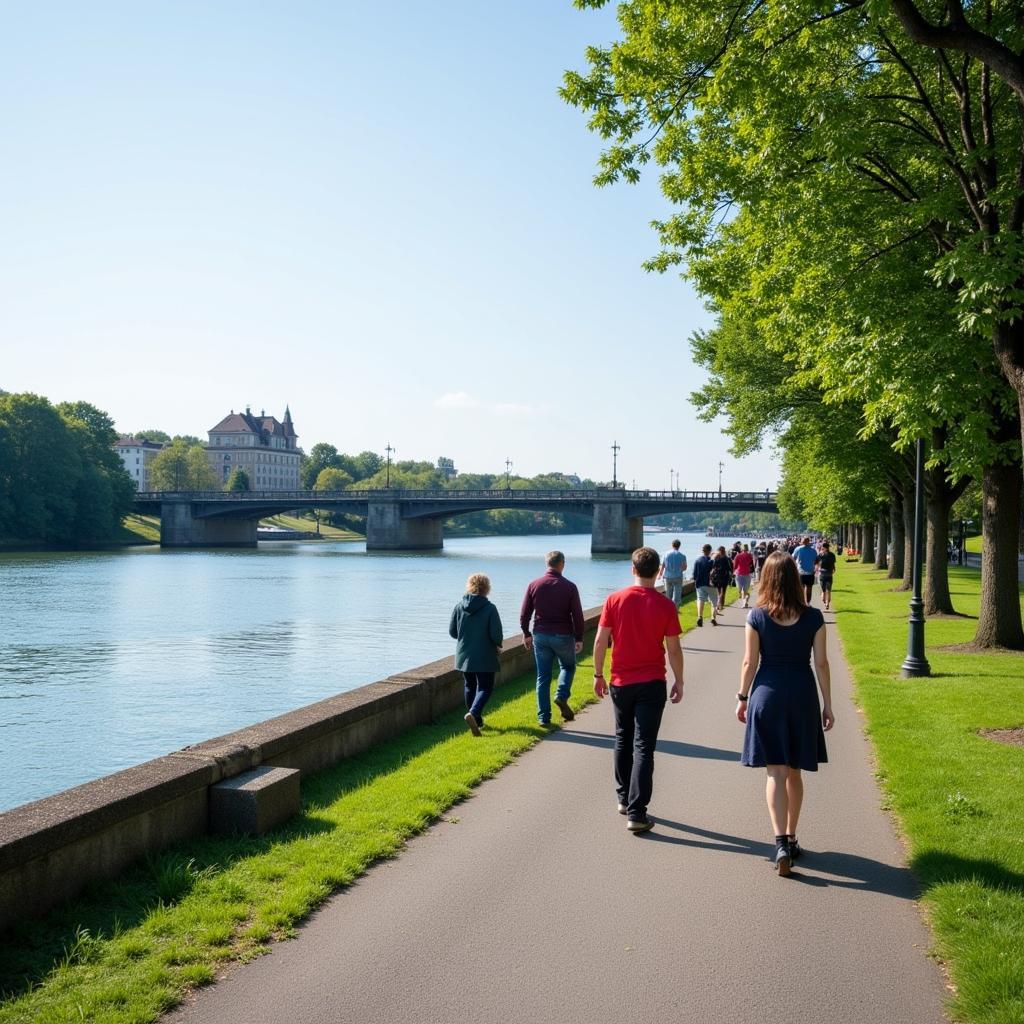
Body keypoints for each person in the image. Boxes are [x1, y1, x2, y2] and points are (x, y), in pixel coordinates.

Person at [735, 552, 834, 876]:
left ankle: (779, 843)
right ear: (795, 579)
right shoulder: (814, 617)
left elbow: (750, 662)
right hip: (802, 695)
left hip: (768, 695)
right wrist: (828, 704)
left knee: (774, 773)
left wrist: (742, 697)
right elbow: (821, 663)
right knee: (795, 772)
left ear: (766, 579)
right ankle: (792, 838)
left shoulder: (757, 616)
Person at [593, 546, 684, 833]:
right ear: (659, 572)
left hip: (621, 682)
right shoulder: (666, 605)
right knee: (644, 746)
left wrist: (597, 674)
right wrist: (679, 680)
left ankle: (623, 798)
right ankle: (637, 811)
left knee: (623, 739)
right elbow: (674, 649)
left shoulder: (614, 600)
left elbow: (600, 641)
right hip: (652, 682)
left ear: (632, 569)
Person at [520, 550, 585, 726]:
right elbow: (577, 616)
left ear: (546, 564)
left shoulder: (534, 585)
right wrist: (579, 637)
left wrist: (526, 633)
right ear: (562, 564)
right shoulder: (570, 587)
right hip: (563, 635)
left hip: (540, 635)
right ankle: (561, 695)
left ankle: (543, 717)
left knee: (543, 677)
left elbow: (525, 613)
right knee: (568, 666)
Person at [449, 573, 504, 737]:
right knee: (486, 687)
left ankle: (477, 721)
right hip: (485, 654)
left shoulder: (459, 606)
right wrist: (498, 644)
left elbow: (453, 632)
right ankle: (473, 714)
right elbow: (496, 634)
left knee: (470, 685)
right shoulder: (490, 608)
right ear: (487, 588)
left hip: (464, 655)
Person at [692, 543, 718, 627]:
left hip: (700, 584)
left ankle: (700, 616)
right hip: (711, 584)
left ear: (702, 551)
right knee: (714, 602)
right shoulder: (712, 561)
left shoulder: (697, 560)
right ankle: (713, 618)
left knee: (700, 599)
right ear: (710, 551)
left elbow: (695, 575)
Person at [657, 538, 687, 608]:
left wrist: (660, 574)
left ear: (672, 545)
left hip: (668, 577)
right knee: (677, 595)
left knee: (668, 594)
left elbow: (662, 565)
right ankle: (675, 609)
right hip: (678, 576)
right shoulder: (682, 555)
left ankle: (668, 609)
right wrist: (679, 569)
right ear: (679, 546)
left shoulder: (666, 554)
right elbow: (684, 568)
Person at [792, 536, 819, 604]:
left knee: (801, 589)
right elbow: (816, 561)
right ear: (809, 542)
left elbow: (793, 559)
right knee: (809, 588)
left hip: (800, 572)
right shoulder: (813, 551)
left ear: (802, 542)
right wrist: (815, 569)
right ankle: (808, 603)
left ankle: (802, 602)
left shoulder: (798, 549)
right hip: (810, 572)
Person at [816, 540, 837, 612]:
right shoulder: (832, 555)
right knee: (829, 590)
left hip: (822, 573)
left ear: (823, 548)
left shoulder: (821, 555)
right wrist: (834, 569)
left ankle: (825, 601)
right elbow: (833, 564)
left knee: (823, 590)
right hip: (829, 574)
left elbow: (816, 562)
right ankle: (827, 603)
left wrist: (817, 569)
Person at [710, 545, 733, 612]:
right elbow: (730, 568)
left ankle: (719, 603)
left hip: (718, 577)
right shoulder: (727, 558)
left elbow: (713, 567)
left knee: (719, 591)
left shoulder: (717, 558)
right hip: (725, 577)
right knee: (723, 591)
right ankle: (721, 604)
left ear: (719, 551)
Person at [733, 543, 755, 609]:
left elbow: (735, 566)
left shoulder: (738, 556)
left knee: (741, 590)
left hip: (739, 574)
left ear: (741, 549)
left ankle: (744, 603)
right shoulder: (750, 555)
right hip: (747, 574)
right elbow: (751, 564)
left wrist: (733, 571)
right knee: (745, 590)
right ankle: (745, 601)